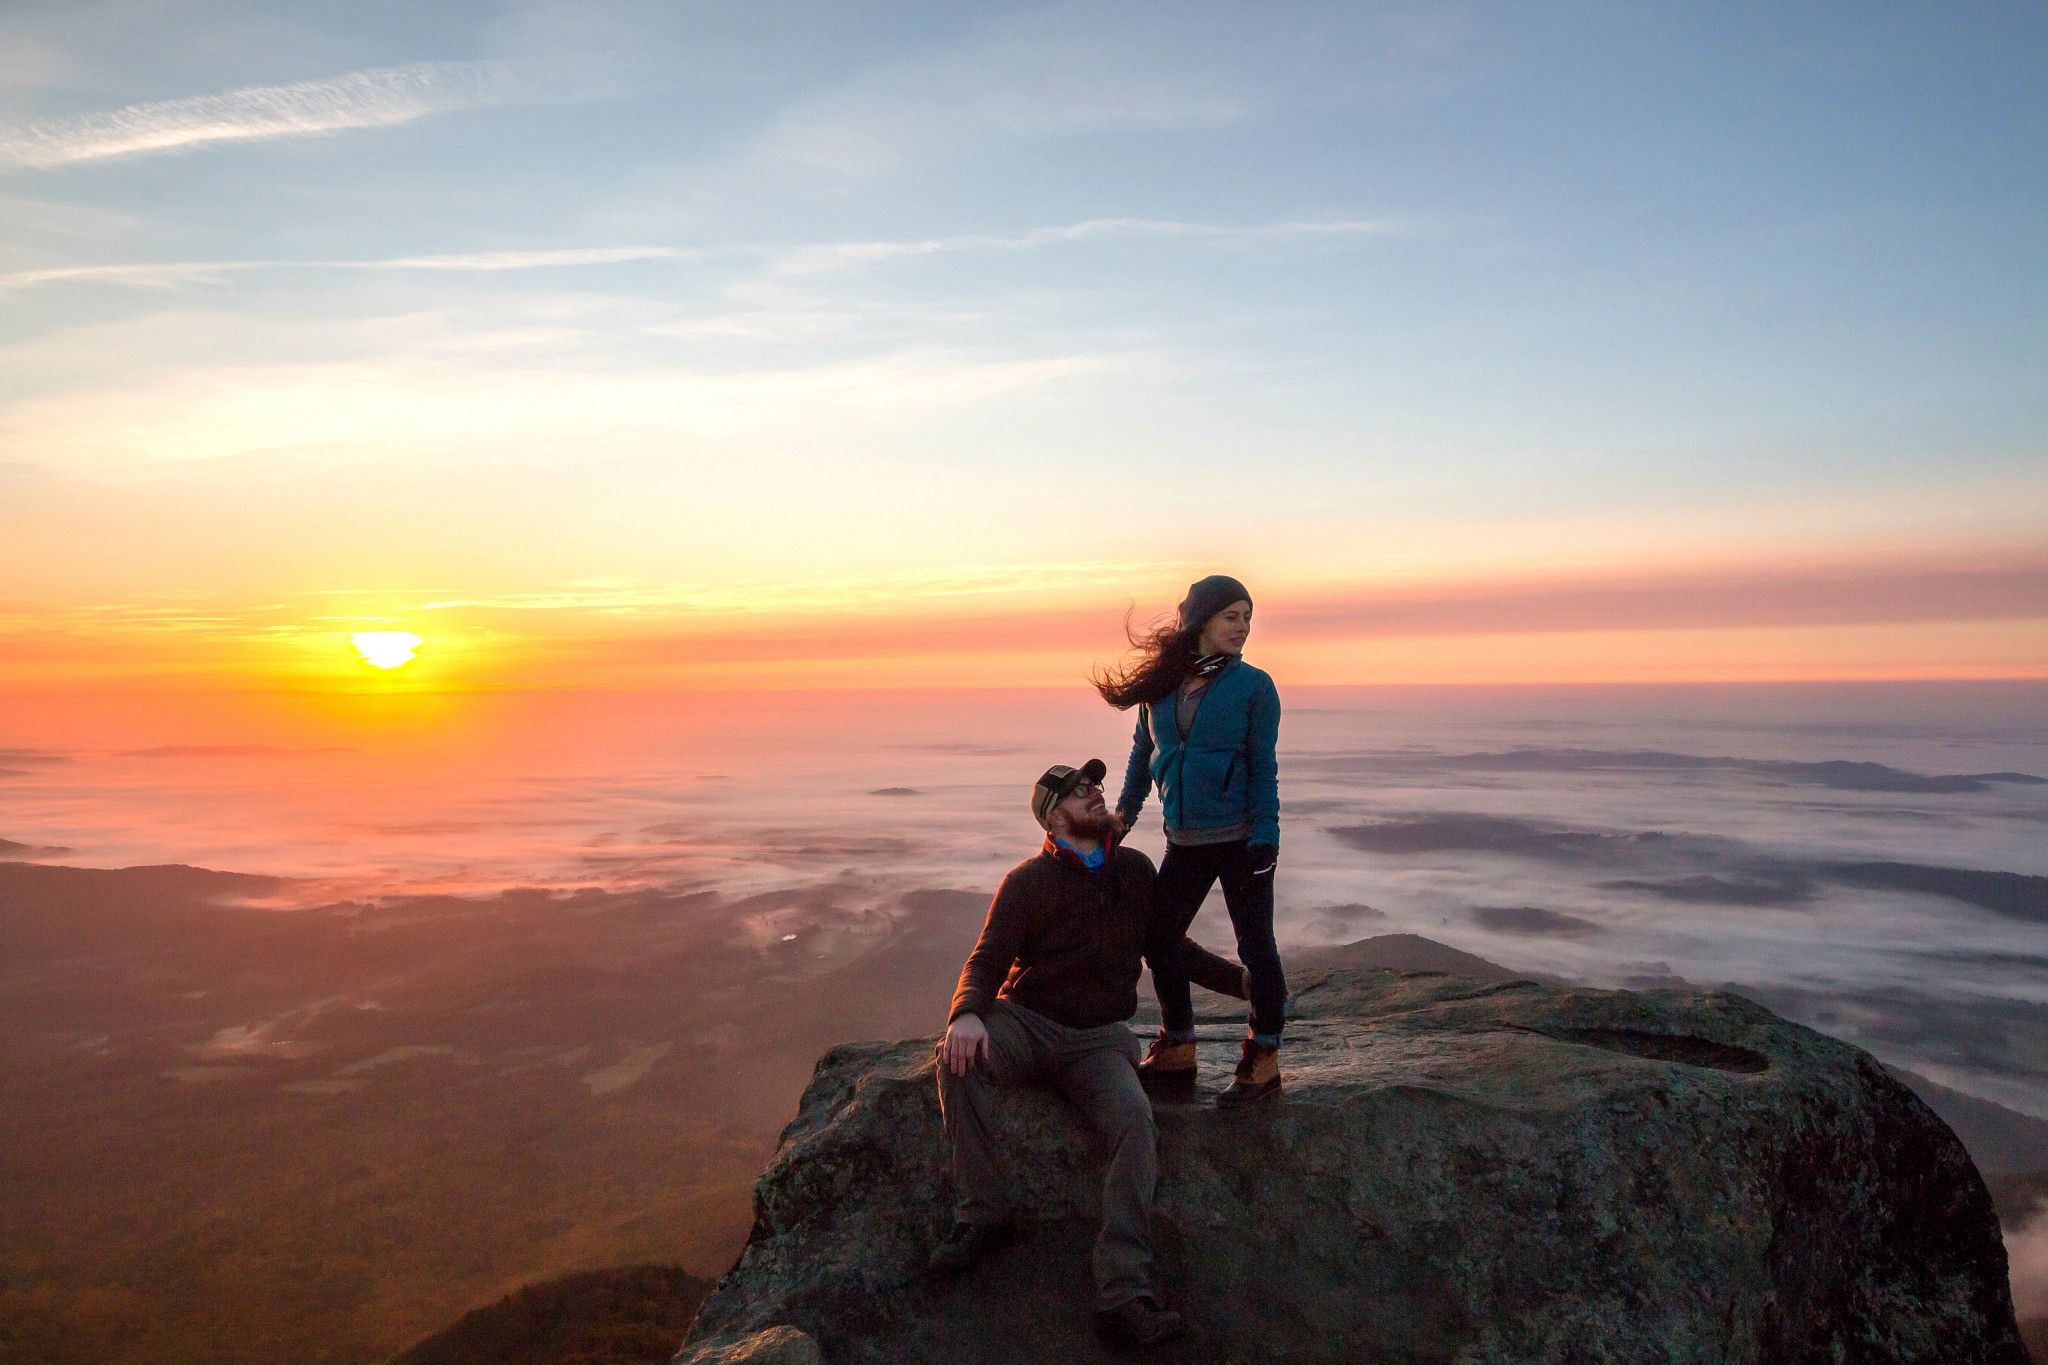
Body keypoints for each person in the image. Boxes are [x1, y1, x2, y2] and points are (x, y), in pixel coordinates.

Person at [930, 759, 1188, 1349]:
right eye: (1078, 790)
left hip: (1098, 1039)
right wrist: (966, 1012)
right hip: (1027, 1023)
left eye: (1094, 784)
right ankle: (984, 1212)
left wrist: (1248, 986)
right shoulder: (1027, 883)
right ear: (1052, 817)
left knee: (1134, 1125)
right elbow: (988, 957)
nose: (1095, 791)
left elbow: (1170, 948)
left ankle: (1122, 1293)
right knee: (955, 1059)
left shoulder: (1134, 871)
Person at [1098, 574, 1286, 1106]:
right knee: (1159, 938)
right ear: (1201, 620)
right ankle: (1179, 1045)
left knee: (1256, 946)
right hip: (1184, 838)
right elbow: (1142, 753)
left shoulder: (1255, 687)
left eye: (1248, 618)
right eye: (1232, 616)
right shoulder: (1162, 685)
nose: (1243, 628)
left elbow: (1263, 766)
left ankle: (1264, 1054)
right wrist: (1123, 815)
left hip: (1241, 839)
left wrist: (1267, 835)